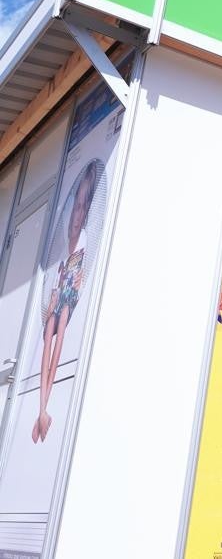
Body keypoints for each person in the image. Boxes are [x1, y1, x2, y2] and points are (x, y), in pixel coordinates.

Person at [33, 161, 101, 444]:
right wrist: (56, 290)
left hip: (69, 290)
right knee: (48, 332)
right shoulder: (66, 237)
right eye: (77, 206)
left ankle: (43, 409)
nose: (78, 214)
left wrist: (71, 285)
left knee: (58, 325)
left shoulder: (85, 239)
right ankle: (42, 409)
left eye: (84, 207)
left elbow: (78, 273)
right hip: (61, 286)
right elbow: (61, 267)